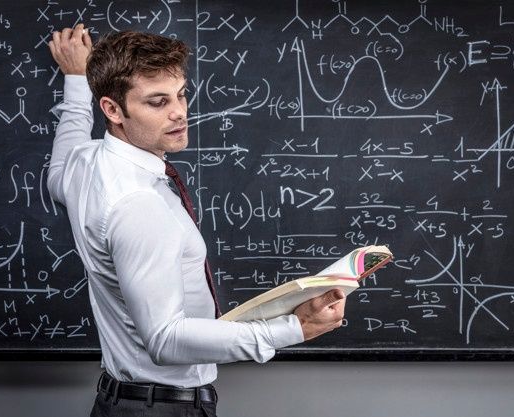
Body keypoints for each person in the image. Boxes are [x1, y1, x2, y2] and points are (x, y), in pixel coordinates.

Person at [47, 24, 346, 417]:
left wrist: (74, 78)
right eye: (157, 102)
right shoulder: (139, 204)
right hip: (161, 410)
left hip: (122, 402)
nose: (179, 112)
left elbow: (58, 168)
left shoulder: (84, 167)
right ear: (112, 110)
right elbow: (165, 339)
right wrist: (294, 329)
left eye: (181, 94)